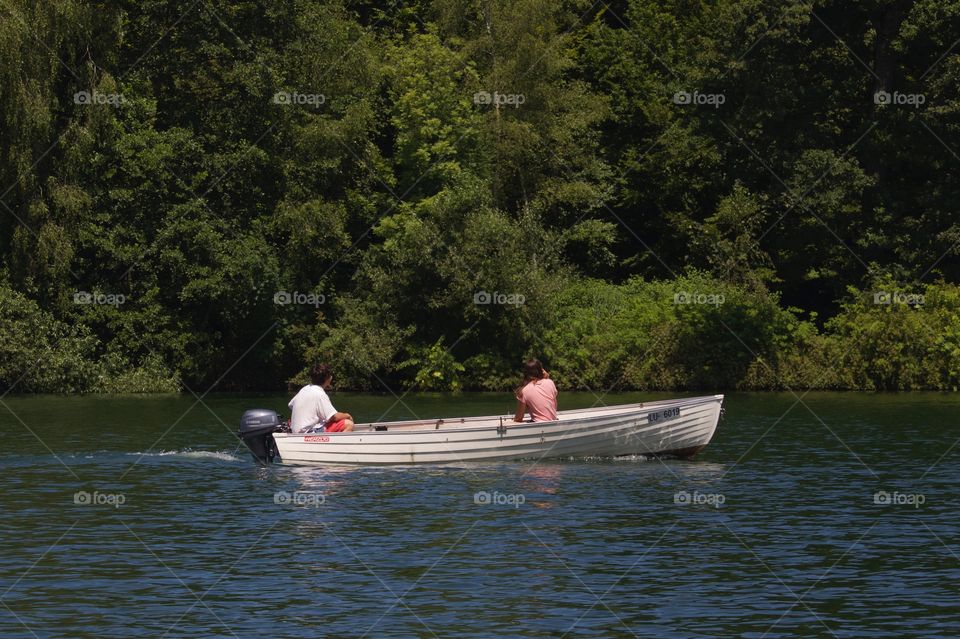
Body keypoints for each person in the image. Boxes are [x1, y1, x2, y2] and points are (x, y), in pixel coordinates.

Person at [288, 363, 355, 433]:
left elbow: (291, 405)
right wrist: (348, 415)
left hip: (295, 431)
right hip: (308, 433)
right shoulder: (319, 393)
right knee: (348, 424)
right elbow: (333, 417)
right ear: (328, 378)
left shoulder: (304, 389)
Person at [513, 358, 558, 423]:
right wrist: (547, 378)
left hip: (538, 424)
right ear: (541, 370)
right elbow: (553, 406)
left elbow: (519, 418)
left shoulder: (524, 391)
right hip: (553, 420)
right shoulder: (550, 382)